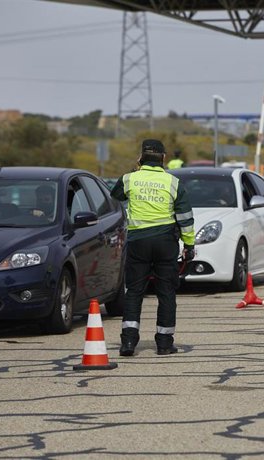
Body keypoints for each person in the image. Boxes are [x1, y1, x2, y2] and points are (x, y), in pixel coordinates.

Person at [110, 139, 195, 356]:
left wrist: (136, 170)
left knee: (134, 292)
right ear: (164, 158)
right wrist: (189, 245)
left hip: (138, 242)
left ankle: (128, 342)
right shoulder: (173, 183)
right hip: (165, 242)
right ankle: (164, 343)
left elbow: (116, 195)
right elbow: (185, 218)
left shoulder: (130, 179)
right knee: (166, 293)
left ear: (141, 158)